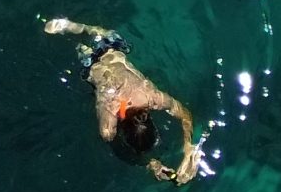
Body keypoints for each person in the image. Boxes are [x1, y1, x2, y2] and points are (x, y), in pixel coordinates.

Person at [43, 16, 201, 183]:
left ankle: (74, 26)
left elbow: (184, 114)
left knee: (94, 33)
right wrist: (152, 164)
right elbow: (122, 152)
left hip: (112, 46)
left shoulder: (151, 98)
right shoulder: (109, 123)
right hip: (91, 65)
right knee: (77, 47)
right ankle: (70, 30)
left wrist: (188, 148)